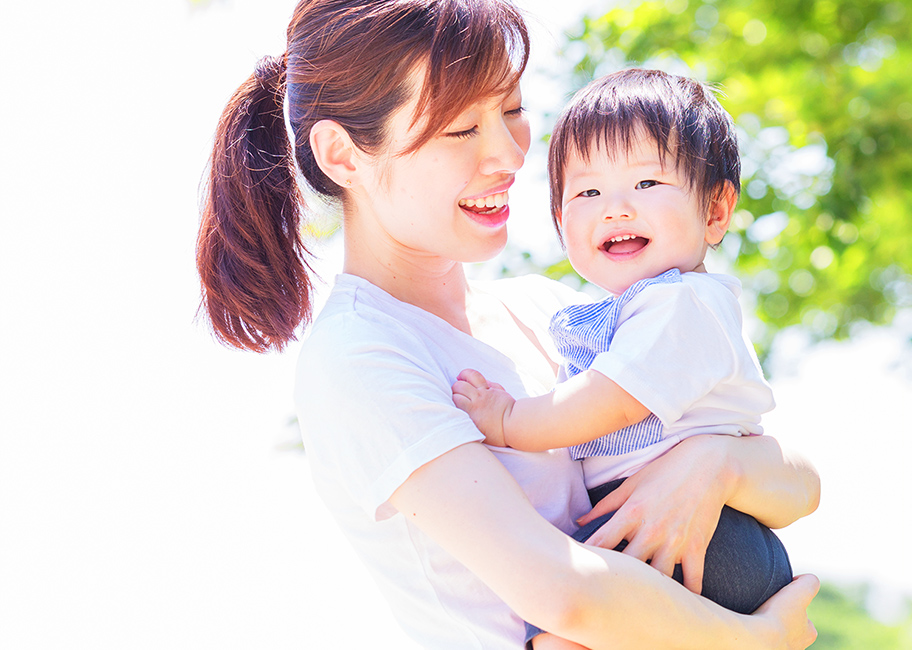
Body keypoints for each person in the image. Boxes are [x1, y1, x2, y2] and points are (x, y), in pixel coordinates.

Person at [192, 1, 820, 648]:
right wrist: (758, 640)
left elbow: (800, 486)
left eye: (513, 111)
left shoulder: (550, 313)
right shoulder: (361, 356)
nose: (510, 154)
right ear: (343, 155)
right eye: (462, 129)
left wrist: (715, 463)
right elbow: (564, 595)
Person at [451, 68, 792, 650]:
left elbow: (611, 401)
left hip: (711, 538)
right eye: (587, 192)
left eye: (648, 183)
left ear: (715, 211)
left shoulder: (683, 304)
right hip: (684, 524)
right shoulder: (629, 311)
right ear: (560, 221)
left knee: (564, 624)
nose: (615, 208)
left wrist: (510, 421)